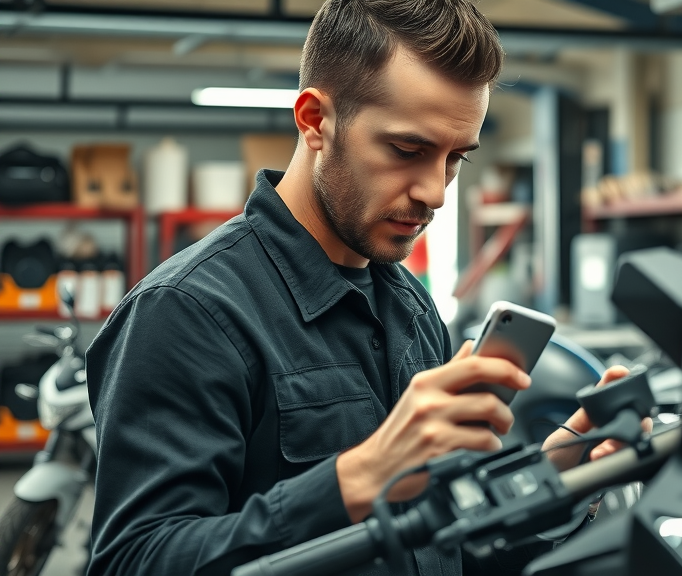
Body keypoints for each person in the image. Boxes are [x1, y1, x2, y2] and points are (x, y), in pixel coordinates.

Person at [86, 1, 634, 575]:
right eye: (407, 150)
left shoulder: (411, 306)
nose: (436, 193)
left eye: (455, 160)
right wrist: (355, 481)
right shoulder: (186, 312)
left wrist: (554, 482)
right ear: (314, 120)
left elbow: (447, 544)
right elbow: (134, 560)